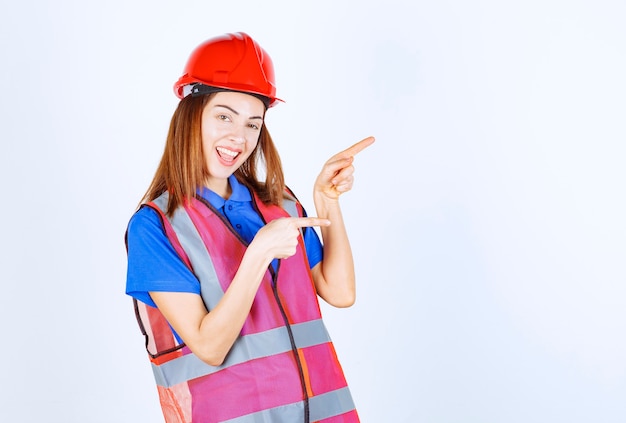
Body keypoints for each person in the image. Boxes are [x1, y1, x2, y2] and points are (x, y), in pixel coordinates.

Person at [125, 32, 374, 423]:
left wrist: (327, 200)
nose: (238, 137)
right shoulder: (156, 227)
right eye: (223, 116)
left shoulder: (279, 204)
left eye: (253, 124)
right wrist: (258, 252)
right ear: (192, 115)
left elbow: (340, 292)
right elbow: (209, 346)